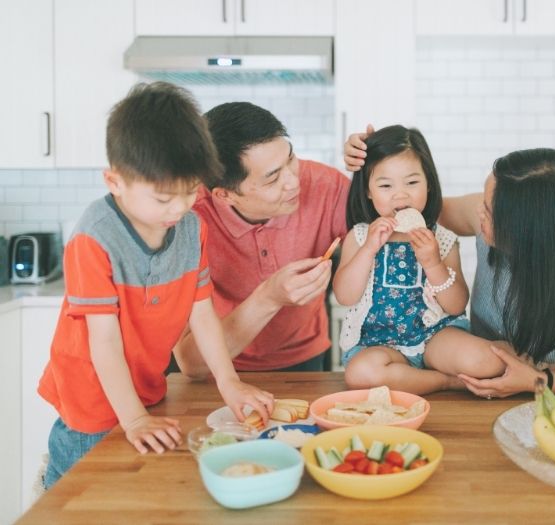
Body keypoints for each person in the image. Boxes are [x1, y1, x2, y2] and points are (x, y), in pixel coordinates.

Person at [37, 82, 274, 489]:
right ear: (115, 181)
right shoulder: (94, 239)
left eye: (189, 192)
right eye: (164, 199)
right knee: (75, 497)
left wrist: (228, 381)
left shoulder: (189, 228)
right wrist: (133, 419)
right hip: (91, 406)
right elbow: (104, 343)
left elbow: (202, 312)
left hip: (146, 391)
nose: (180, 208)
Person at [345, 131, 555, 398]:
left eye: (488, 211)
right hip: (480, 387)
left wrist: (538, 381)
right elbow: (411, 203)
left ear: (528, 233)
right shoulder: (485, 211)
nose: (478, 212)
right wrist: (368, 160)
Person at [173, 102, 349, 377]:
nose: (293, 182)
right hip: (220, 369)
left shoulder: (326, 185)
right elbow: (191, 364)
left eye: (290, 159)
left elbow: (387, 230)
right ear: (225, 195)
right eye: (272, 179)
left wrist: (376, 166)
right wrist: (269, 297)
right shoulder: (187, 220)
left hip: (306, 356)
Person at [334, 125, 506, 395]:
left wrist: (433, 263)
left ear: (428, 183)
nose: (400, 194)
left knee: (488, 361)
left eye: (412, 183)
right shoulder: (359, 237)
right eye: (385, 185)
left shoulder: (442, 238)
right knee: (359, 374)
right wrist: (368, 249)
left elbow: (456, 304)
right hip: (381, 344)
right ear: (368, 191)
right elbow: (345, 296)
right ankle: (446, 381)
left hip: (435, 335)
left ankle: (414, 378)